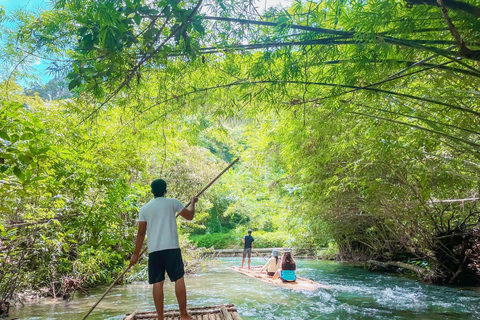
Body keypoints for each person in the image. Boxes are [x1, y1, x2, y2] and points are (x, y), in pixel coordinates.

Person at [130, 179, 198, 320]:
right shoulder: (172, 202)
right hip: (172, 248)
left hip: (154, 251)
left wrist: (135, 255)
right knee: (178, 279)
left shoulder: (144, 209)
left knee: (157, 283)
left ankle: (160, 318)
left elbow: (141, 233)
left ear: (152, 192)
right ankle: (183, 315)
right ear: (165, 190)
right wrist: (192, 203)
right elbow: (190, 216)